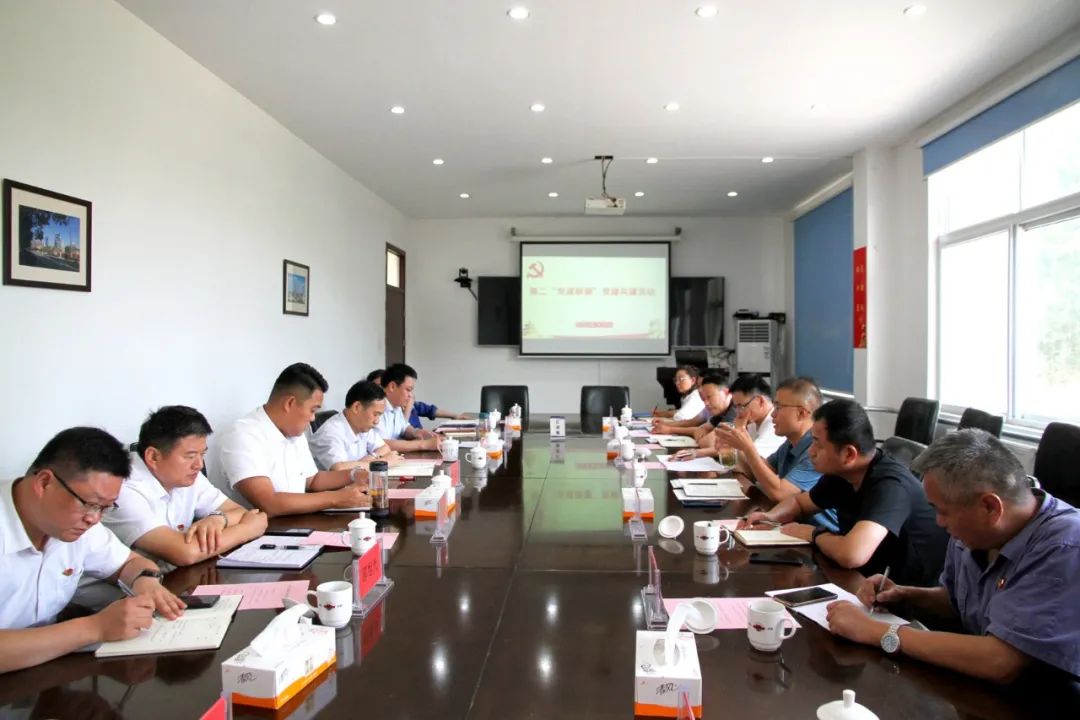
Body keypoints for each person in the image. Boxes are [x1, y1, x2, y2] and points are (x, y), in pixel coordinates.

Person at [826, 429, 1080, 693]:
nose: (939, 522)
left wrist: (877, 633)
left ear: (990, 507)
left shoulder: (1065, 547)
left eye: (943, 511)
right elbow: (961, 600)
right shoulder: (974, 534)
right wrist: (905, 595)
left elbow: (1001, 662)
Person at [1, 427, 186, 674]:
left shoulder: (74, 522)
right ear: (44, 483)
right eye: (90, 504)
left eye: (105, 508)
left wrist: (146, 582)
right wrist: (95, 628)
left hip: (43, 672)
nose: (94, 519)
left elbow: (129, 563)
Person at [739, 399, 948, 586]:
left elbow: (852, 554)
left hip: (909, 598)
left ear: (848, 453)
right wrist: (771, 516)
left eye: (817, 444)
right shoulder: (843, 473)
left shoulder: (890, 485)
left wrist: (813, 533)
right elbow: (799, 503)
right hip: (869, 583)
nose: (810, 452)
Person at [104, 406, 268, 567]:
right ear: (153, 457)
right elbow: (185, 553)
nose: (199, 464)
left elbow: (241, 512)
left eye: (202, 454)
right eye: (190, 456)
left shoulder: (186, 474)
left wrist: (218, 519)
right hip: (126, 585)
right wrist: (247, 529)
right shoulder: (122, 487)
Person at [211, 362, 370, 517]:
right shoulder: (243, 434)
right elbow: (269, 503)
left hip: (295, 523)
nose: (313, 418)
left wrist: (354, 475)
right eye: (312, 410)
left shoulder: (294, 432)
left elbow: (312, 480)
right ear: (290, 403)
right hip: (263, 530)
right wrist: (337, 498)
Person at [716, 377, 838, 531]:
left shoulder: (817, 449)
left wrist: (748, 448)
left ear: (801, 413)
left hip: (819, 534)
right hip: (792, 526)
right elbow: (756, 472)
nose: (773, 414)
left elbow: (780, 494)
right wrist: (737, 445)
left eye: (779, 408)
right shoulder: (790, 443)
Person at [309, 380, 403, 471]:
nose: (377, 421)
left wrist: (372, 457)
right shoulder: (330, 433)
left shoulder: (361, 425)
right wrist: (383, 462)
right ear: (357, 407)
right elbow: (339, 469)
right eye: (375, 414)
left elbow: (385, 448)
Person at [375, 363, 440, 452]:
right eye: (408, 390)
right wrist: (423, 444)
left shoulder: (396, 406)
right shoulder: (376, 406)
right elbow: (381, 444)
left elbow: (404, 427)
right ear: (392, 387)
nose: (410, 395)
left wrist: (417, 432)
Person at [651, 375, 734, 439]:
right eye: (698, 386)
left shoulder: (733, 412)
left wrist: (669, 428)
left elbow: (709, 441)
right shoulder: (719, 412)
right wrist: (666, 425)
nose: (699, 390)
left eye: (709, 397)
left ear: (726, 393)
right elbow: (698, 427)